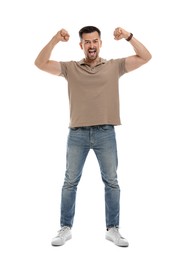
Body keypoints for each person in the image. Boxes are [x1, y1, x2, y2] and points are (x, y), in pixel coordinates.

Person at [34, 25, 152, 247]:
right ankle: (65, 227)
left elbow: (146, 57)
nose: (91, 45)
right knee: (70, 182)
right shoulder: (70, 68)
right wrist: (54, 40)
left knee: (112, 182)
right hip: (77, 133)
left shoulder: (114, 66)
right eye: (87, 42)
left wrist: (128, 36)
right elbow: (39, 63)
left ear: (100, 43)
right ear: (81, 45)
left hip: (105, 132)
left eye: (95, 41)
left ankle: (113, 229)